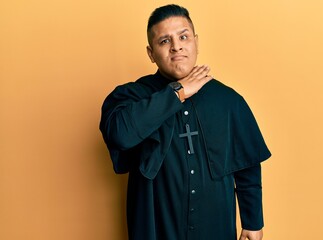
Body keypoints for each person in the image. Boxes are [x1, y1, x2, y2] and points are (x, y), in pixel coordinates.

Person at [100, 4, 271, 240]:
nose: (176, 46)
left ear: (196, 42)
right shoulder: (132, 97)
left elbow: (247, 165)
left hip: (215, 229)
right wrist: (177, 92)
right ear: (151, 53)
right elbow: (120, 134)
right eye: (164, 41)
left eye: (183, 37)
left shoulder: (229, 100)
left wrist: (252, 222)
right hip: (157, 229)